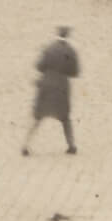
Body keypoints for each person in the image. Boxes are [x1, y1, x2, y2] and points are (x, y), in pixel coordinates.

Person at [21, 26, 79, 156]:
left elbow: (39, 66)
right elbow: (75, 72)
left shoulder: (48, 48)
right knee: (65, 118)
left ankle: (25, 145)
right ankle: (71, 145)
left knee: (38, 116)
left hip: (46, 84)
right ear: (68, 35)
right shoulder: (71, 51)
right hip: (62, 86)